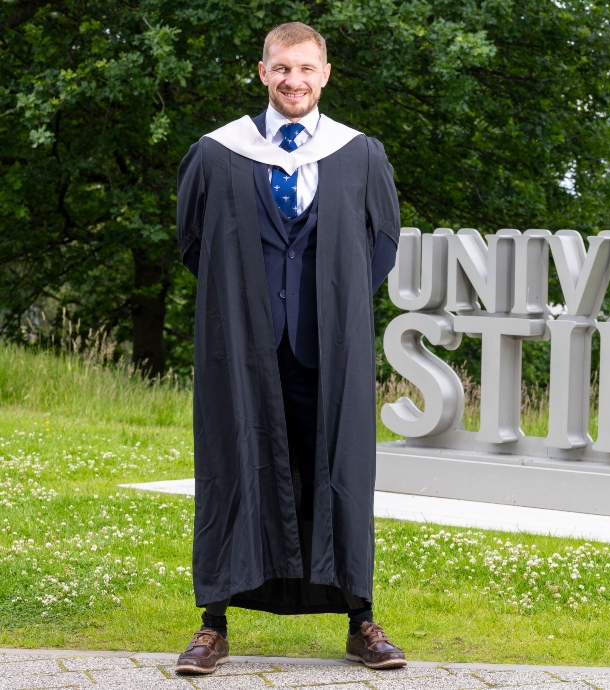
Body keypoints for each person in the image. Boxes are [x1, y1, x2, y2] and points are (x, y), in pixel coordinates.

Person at [174, 22, 403, 674]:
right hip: (241, 347)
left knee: (342, 473)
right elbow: (197, 244)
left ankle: (361, 620)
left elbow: (378, 248)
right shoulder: (218, 154)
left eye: (306, 69)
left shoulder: (360, 156)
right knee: (230, 469)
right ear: (262, 72)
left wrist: (329, 303)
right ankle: (213, 624)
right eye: (282, 69)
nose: (294, 81)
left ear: (325, 74)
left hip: (329, 349)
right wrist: (245, 301)